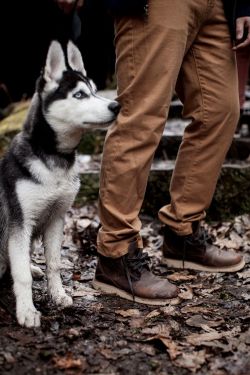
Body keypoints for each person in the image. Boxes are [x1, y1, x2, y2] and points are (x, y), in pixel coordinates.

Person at [57, 0, 250, 305]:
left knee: (219, 112)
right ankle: (116, 253)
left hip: (214, 5)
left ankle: (182, 232)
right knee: (141, 118)